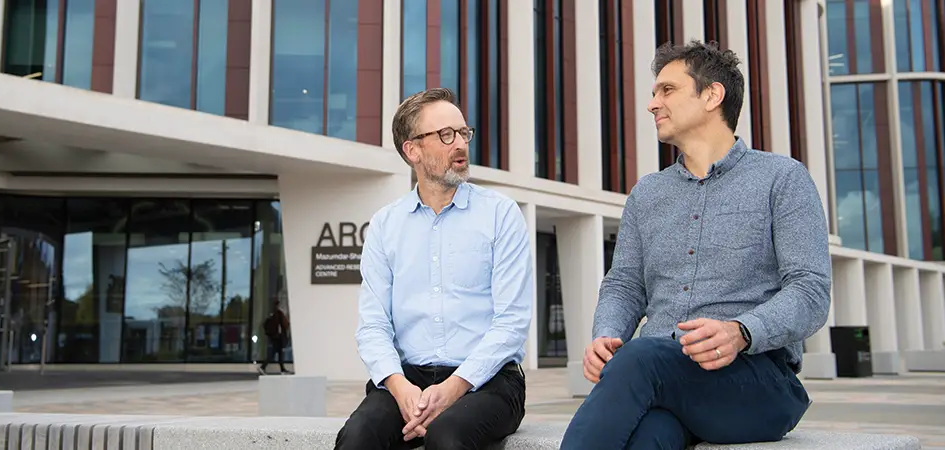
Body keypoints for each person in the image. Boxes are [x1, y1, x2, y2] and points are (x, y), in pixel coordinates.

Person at [560, 40, 832, 449]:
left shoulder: (783, 178)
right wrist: (606, 336)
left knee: (640, 358)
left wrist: (741, 331)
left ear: (712, 95)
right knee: (649, 437)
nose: (652, 104)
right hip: (666, 378)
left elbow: (810, 291)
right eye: (654, 93)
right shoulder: (647, 193)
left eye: (667, 90)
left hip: (757, 379)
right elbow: (625, 285)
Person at [334, 87, 532, 450]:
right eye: (445, 135)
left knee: (447, 437)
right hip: (407, 379)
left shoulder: (500, 214)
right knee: (357, 437)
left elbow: (512, 323)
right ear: (413, 150)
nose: (460, 144)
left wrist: (454, 388)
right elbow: (373, 325)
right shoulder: (385, 225)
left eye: (463, 133)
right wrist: (400, 388)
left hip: (489, 381)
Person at [260, 299, 291, 374]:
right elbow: (285, 324)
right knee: (275, 354)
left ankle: (282, 369)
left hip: (274, 337)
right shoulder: (279, 313)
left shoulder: (273, 314)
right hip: (278, 337)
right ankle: (263, 367)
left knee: (279, 354)